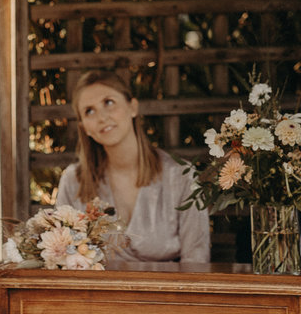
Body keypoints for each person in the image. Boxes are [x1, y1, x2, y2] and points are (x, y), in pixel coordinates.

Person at [55, 70, 210, 263]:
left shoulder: (181, 176)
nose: (102, 117)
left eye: (109, 102)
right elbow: (63, 259)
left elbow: (196, 259)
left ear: (133, 107)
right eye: (89, 111)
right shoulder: (73, 181)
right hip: (97, 292)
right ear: (84, 127)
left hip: (168, 291)